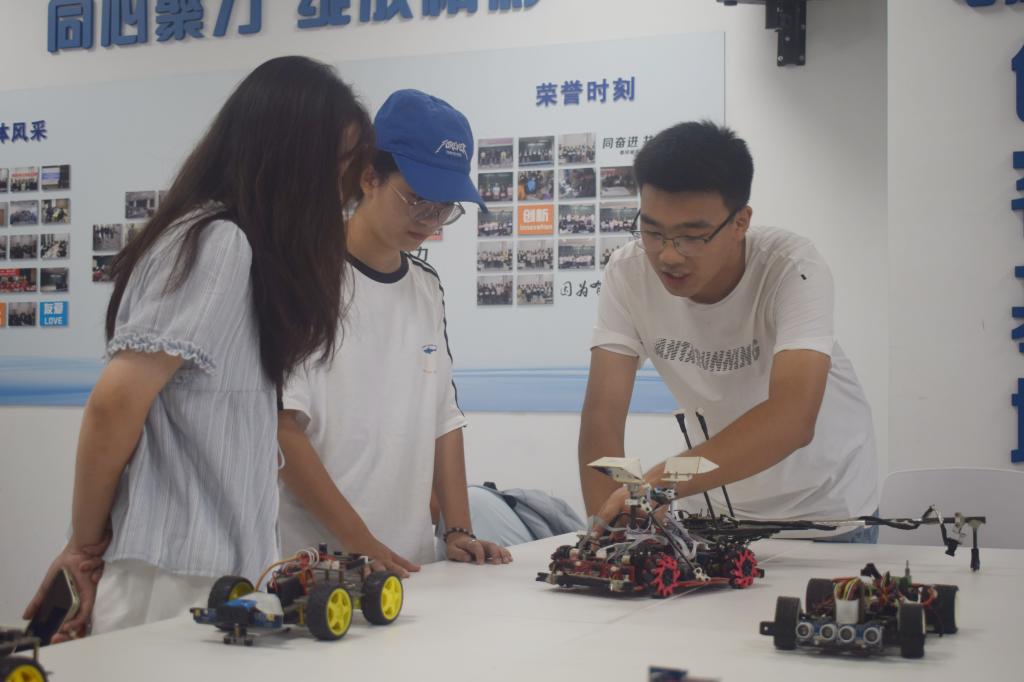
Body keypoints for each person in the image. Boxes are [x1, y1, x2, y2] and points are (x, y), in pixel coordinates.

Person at [22, 56, 374, 641]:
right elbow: (115, 404)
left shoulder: (234, 248)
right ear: (288, 159)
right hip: (173, 577)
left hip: (212, 573)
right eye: (339, 165)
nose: (345, 189)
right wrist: (83, 547)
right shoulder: (218, 243)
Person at [580, 121, 878, 541]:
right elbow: (602, 416)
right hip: (713, 512)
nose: (668, 255)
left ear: (740, 222)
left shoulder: (791, 268)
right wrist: (611, 529)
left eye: (691, 237)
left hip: (824, 511)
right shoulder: (628, 273)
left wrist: (660, 481)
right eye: (652, 231)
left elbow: (792, 418)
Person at [278, 89, 512, 577]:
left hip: (411, 564)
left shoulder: (426, 288)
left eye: (444, 208)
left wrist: (458, 529)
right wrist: (360, 542)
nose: (430, 221)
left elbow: (442, 416)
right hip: (319, 563)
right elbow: (282, 428)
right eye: (418, 200)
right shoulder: (305, 276)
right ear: (369, 177)